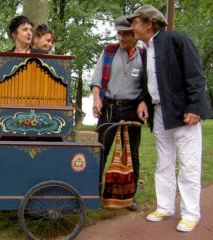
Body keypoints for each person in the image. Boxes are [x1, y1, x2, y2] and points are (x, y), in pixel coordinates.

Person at [128, 5, 212, 232]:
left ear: (149, 22)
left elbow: (196, 75)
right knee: (164, 163)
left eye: (135, 22)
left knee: (189, 164)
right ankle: (165, 207)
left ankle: (191, 213)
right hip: (159, 113)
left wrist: (194, 107)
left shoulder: (177, 40)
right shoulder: (145, 50)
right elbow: (150, 82)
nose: (132, 27)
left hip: (184, 113)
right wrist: (144, 100)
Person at [89, 15, 144, 211]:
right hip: (110, 107)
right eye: (118, 33)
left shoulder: (144, 55)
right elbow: (96, 80)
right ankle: (93, 192)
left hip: (133, 109)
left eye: (125, 34)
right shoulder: (109, 51)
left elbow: (148, 86)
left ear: (135, 34)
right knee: (100, 150)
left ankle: (130, 196)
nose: (120, 37)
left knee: (132, 154)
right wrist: (96, 99)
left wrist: (143, 102)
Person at [0, 15, 45, 91]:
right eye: (25, 29)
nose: (29, 33)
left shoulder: (41, 55)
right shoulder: (5, 58)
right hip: (10, 100)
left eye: (30, 30)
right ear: (14, 34)